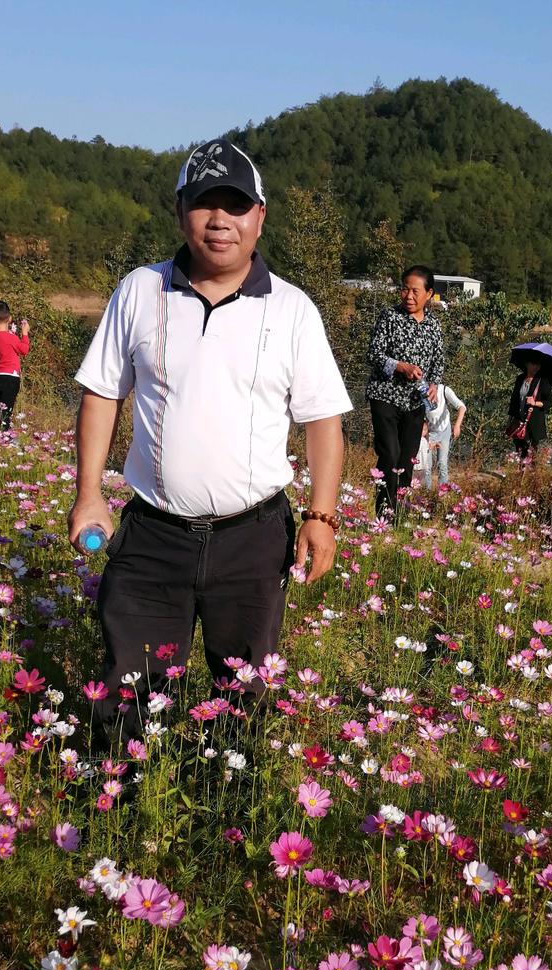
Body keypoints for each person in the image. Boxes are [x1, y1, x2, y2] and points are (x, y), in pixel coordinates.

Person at [68, 138, 352, 753]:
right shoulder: (140, 291)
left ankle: (232, 824)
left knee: (243, 693)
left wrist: (322, 516)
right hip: (152, 537)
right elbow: (101, 395)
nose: (220, 220)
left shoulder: (293, 310)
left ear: (259, 216)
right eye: (205, 204)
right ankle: (115, 810)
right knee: (126, 686)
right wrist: (89, 494)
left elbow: (323, 421)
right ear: (180, 212)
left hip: (253, 541)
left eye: (236, 205)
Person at [365, 266, 445, 517]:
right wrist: (401, 367)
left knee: (408, 460)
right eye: (405, 289)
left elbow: (438, 365)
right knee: (389, 454)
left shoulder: (434, 327)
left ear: (429, 294)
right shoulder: (389, 317)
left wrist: (433, 385)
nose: (408, 296)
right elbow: (373, 354)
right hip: (385, 396)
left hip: (414, 402)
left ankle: (397, 515)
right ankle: (383, 515)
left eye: (415, 291)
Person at [0, 300, 30, 430]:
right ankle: (5, 437)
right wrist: (25, 334)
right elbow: (24, 350)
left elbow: (3, 340)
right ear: (10, 318)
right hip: (10, 378)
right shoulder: (12, 338)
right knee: (6, 411)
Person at [419, 381, 466, 489]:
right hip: (429, 432)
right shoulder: (421, 390)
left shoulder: (444, 390)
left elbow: (461, 407)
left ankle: (442, 493)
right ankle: (427, 493)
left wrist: (457, 425)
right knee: (427, 466)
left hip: (444, 430)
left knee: (442, 465)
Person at [508, 359, 552, 462]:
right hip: (518, 420)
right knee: (519, 449)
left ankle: (532, 475)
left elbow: (549, 402)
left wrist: (535, 403)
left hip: (534, 422)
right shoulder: (520, 379)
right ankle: (521, 474)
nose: (536, 367)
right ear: (527, 364)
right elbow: (514, 400)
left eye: (538, 364)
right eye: (533, 363)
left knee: (532, 452)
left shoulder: (543, 381)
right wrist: (509, 420)